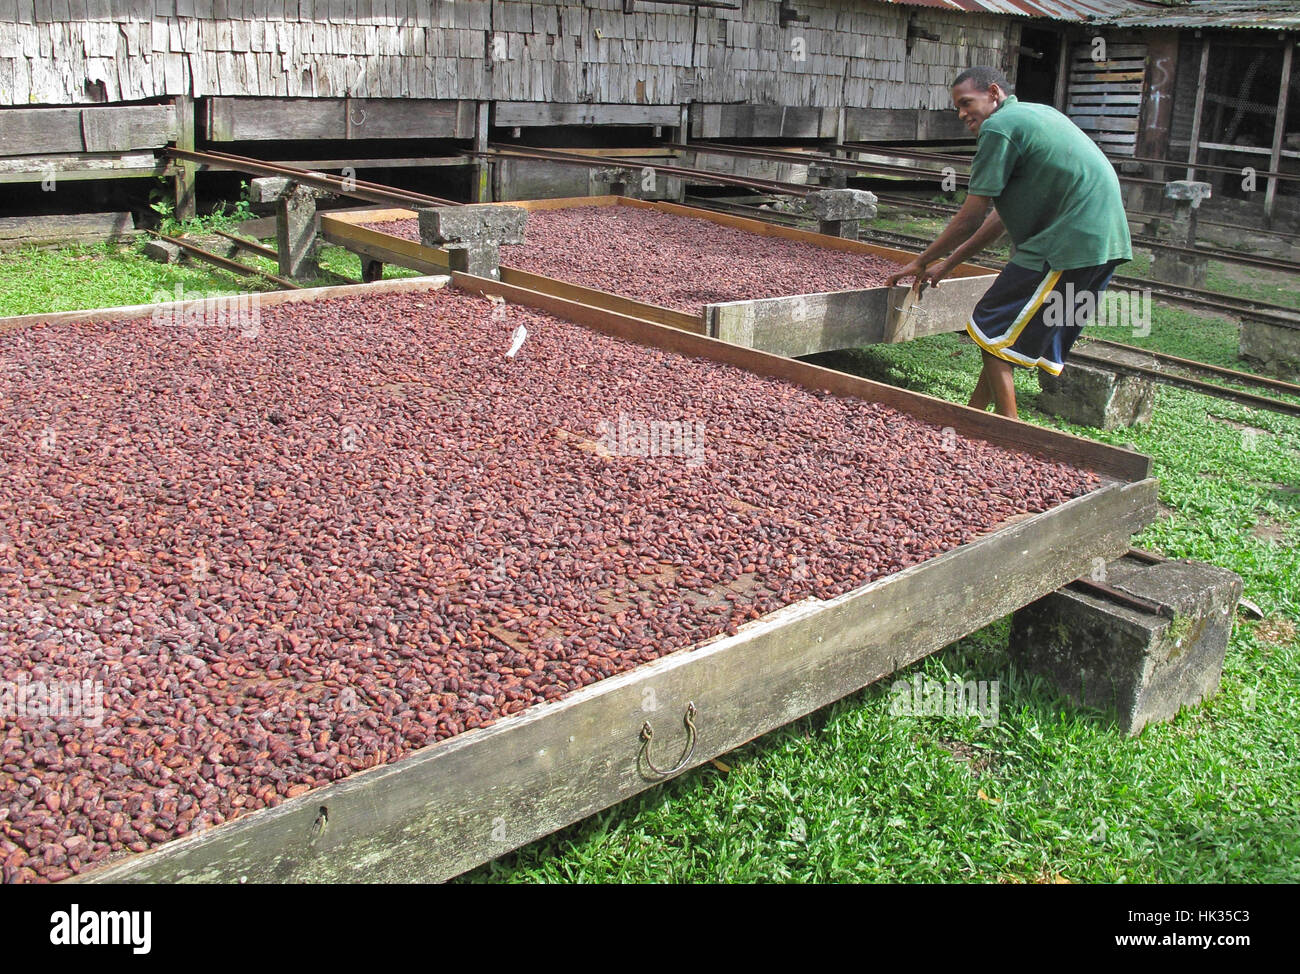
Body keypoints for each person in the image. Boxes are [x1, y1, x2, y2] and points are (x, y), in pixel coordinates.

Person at [885, 66, 1132, 419]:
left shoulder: (998, 128)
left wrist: (921, 261)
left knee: (988, 325)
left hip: (1067, 242)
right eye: (957, 107)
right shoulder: (1035, 114)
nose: (962, 113)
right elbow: (997, 221)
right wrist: (948, 265)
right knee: (1000, 338)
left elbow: (970, 217)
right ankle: (974, 416)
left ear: (994, 93)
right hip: (1102, 244)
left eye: (967, 102)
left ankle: (1009, 433)